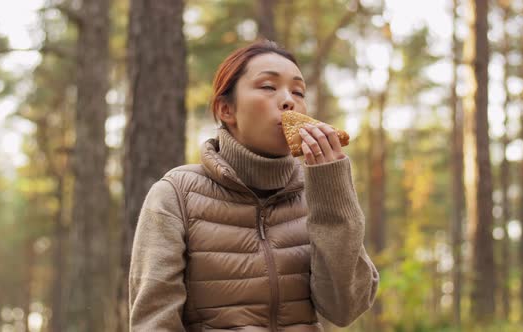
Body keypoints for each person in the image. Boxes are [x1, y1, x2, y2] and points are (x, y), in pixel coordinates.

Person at [128, 40, 379, 332]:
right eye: (268, 87)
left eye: (298, 91)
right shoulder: (175, 195)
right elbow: (153, 323)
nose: (288, 101)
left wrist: (333, 192)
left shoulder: (319, 196)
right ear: (226, 110)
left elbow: (345, 308)